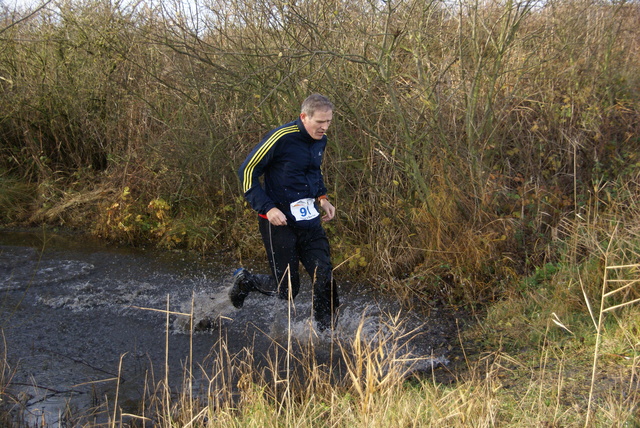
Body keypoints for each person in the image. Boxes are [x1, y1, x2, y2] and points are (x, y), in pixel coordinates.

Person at [230, 94, 339, 331]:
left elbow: (313, 171)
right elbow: (247, 171)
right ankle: (247, 281)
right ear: (304, 117)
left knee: (325, 276)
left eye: (329, 121)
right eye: (320, 122)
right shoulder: (281, 137)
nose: (325, 127)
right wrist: (268, 208)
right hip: (278, 222)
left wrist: (323, 198)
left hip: (308, 219)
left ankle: (325, 334)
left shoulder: (321, 139)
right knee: (287, 289)